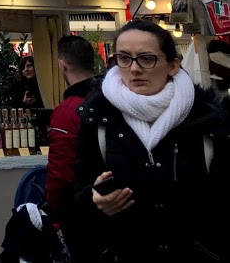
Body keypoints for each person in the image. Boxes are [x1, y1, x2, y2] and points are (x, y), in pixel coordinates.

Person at [73, 20, 230, 262]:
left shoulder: (207, 119)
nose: (134, 69)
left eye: (147, 59)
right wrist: (95, 200)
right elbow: (76, 192)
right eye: (124, 58)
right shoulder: (99, 118)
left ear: (173, 65)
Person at [45, 36, 97, 257]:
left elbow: (60, 172)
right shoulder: (113, 98)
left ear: (62, 65)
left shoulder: (68, 110)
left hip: (80, 211)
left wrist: (54, 212)